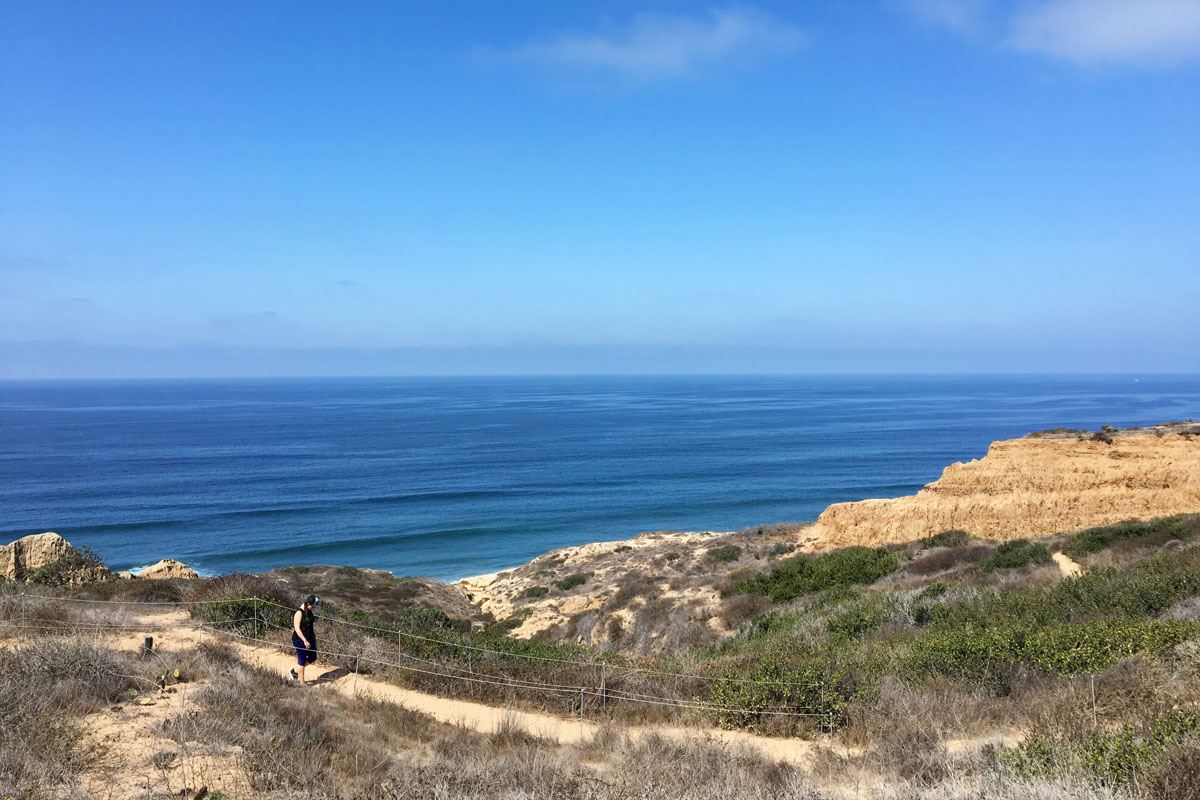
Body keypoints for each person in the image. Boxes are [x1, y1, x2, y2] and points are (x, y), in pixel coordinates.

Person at [289, 595, 319, 684]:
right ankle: (301, 683)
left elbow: (310, 627)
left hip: (310, 638)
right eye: (313, 606)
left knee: (313, 657)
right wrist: (304, 640)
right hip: (299, 640)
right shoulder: (299, 613)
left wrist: (314, 637)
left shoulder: (309, 612)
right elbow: (297, 629)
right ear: (308, 604)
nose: (313, 608)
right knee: (301, 661)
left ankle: (295, 671)